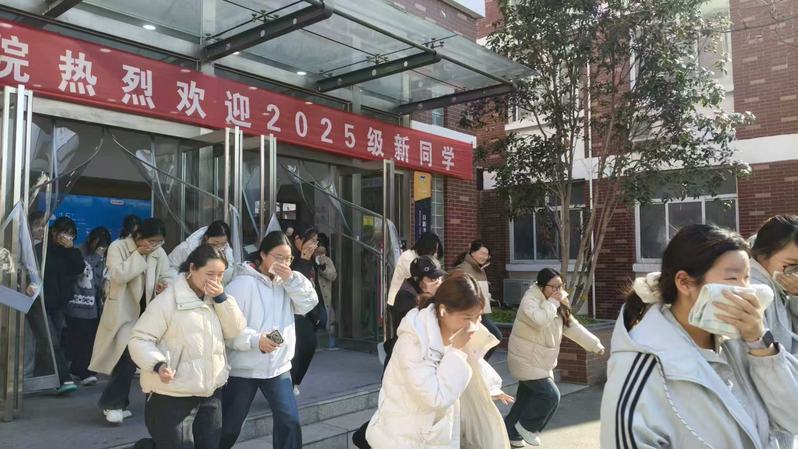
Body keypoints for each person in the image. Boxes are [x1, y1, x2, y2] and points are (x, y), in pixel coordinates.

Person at [600, 224, 798, 449]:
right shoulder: (641, 365)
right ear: (684, 282)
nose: (745, 290)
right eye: (732, 278)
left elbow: (793, 417)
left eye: (747, 278)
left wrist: (761, 343)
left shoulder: (740, 343)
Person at [365, 272, 512, 449]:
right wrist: (456, 352)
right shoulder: (413, 341)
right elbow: (435, 397)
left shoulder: (457, 331)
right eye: (467, 317)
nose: (474, 325)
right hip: (406, 436)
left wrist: (491, 388)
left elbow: (474, 362)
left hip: (432, 433)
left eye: (478, 317)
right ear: (443, 310)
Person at [129, 245, 246, 449]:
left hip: (211, 391)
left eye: (220, 275)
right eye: (210, 274)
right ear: (192, 268)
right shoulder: (167, 301)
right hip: (172, 393)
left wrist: (221, 299)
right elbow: (140, 338)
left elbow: (235, 330)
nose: (216, 280)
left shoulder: (219, 299)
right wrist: (158, 364)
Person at [220, 231, 318, 449]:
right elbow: (227, 328)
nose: (284, 263)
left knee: (289, 421)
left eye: (288, 258)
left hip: (278, 367)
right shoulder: (241, 284)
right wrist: (255, 341)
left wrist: (291, 279)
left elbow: (309, 303)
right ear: (263, 255)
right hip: (243, 369)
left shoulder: (288, 283)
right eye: (278, 257)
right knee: (229, 427)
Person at [505, 268, 605, 447]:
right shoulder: (530, 300)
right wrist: (552, 302)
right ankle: (527, 428)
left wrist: (594, 345)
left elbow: (571, 326)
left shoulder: (558, 301)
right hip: (526, 359)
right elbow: (540, 320)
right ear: (542, 286)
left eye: (561, 286)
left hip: (541, 361)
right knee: (550, 395)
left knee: (525, 400)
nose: (558, 290)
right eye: (554, 287)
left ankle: (509, 434)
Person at [90, 218, 174, 425]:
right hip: (123, 312)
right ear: (138, 236)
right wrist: (139, 255)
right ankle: (113, 404)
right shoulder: (118, 247)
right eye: (152, 241)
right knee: (126, 356)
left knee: (142, 359)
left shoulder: (159, 252)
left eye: (159, 242)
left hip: (149, 314)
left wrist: (164, 284)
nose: (155, 245)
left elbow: (167, 275)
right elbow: (118, 275)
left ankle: (118, 403)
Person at [749, 215, 798, 449]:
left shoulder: (776, 284)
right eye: (791, 264)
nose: (795, 273)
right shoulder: (755, 292)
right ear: (762, 254)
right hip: (766, 420)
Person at [40, 216, 86, 394]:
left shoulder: (70, 252)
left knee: (55, 341)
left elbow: (79, 268)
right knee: (52, 342)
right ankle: (63, 379)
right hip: (41, 302)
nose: (68, 237)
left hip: (59, 304)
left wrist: (70, 249)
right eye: (65, 233)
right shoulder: (43, 249)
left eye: (71, 234)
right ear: (54, 232)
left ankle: (52, 377)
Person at [65, 226, 111, 386]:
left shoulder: (104, 257)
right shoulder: (79, 251)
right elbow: (82, 271)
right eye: (99, 245)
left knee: (89, 338)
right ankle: (85, 372)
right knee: (83, 338)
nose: (101, 249)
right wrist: (97, 257)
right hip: (77, 302)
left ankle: (77, 369)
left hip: (93, 305)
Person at [453, 240, 505, 360]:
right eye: (482, 253)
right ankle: (477, 364)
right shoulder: (463, 269)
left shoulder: (480, 269)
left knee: (485, 341)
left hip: (481, 313)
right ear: (472, 253)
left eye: (487, 255)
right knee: (495, 336)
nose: (484, 257)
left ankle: (477, 364)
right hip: (471, 314)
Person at [386, 232, 443, 339]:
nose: (435, 254)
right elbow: (419, 279)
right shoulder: (408, 257)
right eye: (434, 251)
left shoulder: (420, 258)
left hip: (413, 298)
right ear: (426, 247)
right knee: (402, 333)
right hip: (400, 299)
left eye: (437, 251)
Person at [289, 227, 322, 395]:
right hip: (294, 315)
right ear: (298, 240)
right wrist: (303, 260)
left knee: (309, 347)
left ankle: (295, 381)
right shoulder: (292, 259)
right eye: (310, 240)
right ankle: (289, 385)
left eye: (316, 241)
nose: (313, 245)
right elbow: (296, 283)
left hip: (309, 315)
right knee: (295, 352)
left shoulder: (312, 261)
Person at [168, 220, 235, 284]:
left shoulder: (226, 250)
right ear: (206, 238)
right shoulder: (187, 248)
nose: (219, 248)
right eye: (215, 243)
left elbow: (228, 275)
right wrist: (184, 283)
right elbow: (169, 267)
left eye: (223, 244)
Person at [314, 233, 338, 344]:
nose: (321, 255)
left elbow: (333, 276)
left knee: (324, 320)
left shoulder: (327, 261)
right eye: (318, 252)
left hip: (323, 299)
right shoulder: (308, 261)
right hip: (312, 299)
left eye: (323, 253)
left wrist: (323, 268)